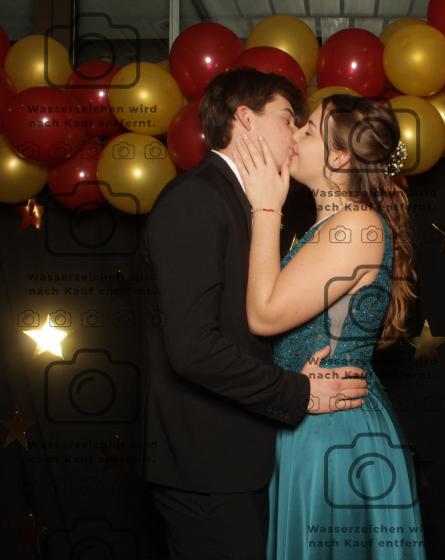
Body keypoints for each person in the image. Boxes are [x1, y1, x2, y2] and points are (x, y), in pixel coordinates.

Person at [142, 69, 370, 560]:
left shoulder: (252, 202)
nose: (297, 133)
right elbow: (193, 348)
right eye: (288, 118)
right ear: (245, 119)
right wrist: (300, 392)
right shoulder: (197, 198)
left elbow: (248, 327)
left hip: (244, 459)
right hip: (208, 466)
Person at [230, 93, 426, 559]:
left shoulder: (355, 225)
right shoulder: (332, 225)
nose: (293, 136)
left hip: (334, 431)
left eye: (307, 130)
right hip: (313, 418)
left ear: (339, 157)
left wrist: (265, 208)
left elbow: (264, 315)